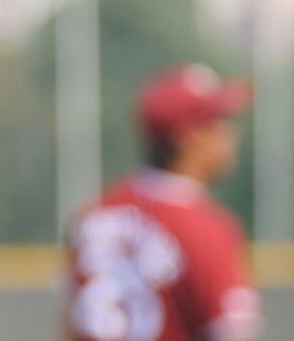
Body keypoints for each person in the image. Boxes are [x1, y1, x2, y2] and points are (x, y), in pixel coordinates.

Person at [65, 64, 263, 341]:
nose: (231, 135)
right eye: (219, 122)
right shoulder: (206, 229)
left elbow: (72, 324)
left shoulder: (93, 216)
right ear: (189, 136)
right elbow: (233, 333)